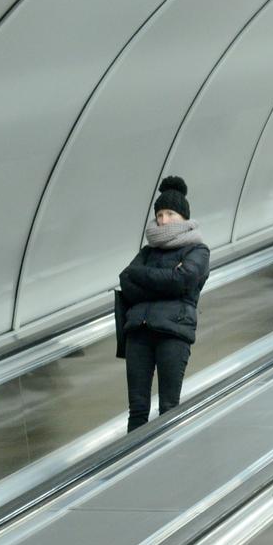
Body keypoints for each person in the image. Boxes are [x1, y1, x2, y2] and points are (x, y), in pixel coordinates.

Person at [116, 177, 210, 433]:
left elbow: (183, 281)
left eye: (170, 213)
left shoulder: (198, 250)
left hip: (173, 332)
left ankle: (168, 464)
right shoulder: (147, 252)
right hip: (138, 330)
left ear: (183, 217)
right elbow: (126, 280)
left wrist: (145, 278)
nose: (164, 220)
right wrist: (167, 278)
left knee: (169, 407)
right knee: (137, 409)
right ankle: (131, 464)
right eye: (160, 214)